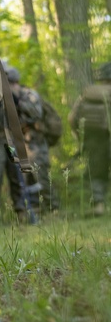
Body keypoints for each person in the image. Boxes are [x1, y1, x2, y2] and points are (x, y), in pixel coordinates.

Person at [0, 66, 41, 222]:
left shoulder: (21, 95)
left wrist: (16, 100)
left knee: (17, 176)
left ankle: (22, 212)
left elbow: (34, 114)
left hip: (11, 141)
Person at [8, 66, 60, 213]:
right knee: (26, 178)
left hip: (36, 143)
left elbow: (35, 114)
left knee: (41, 175)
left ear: (14, 83)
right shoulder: (8, 97)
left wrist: (18, 102)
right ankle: (35, 207)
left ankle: (53, 208)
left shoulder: (29, 94)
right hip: (20, 144)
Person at [69, 61, 111, 216]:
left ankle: (99, 205)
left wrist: (82, 138)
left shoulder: (88, 93)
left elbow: (72, 118)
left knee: (96, 173)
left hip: (94, 140)